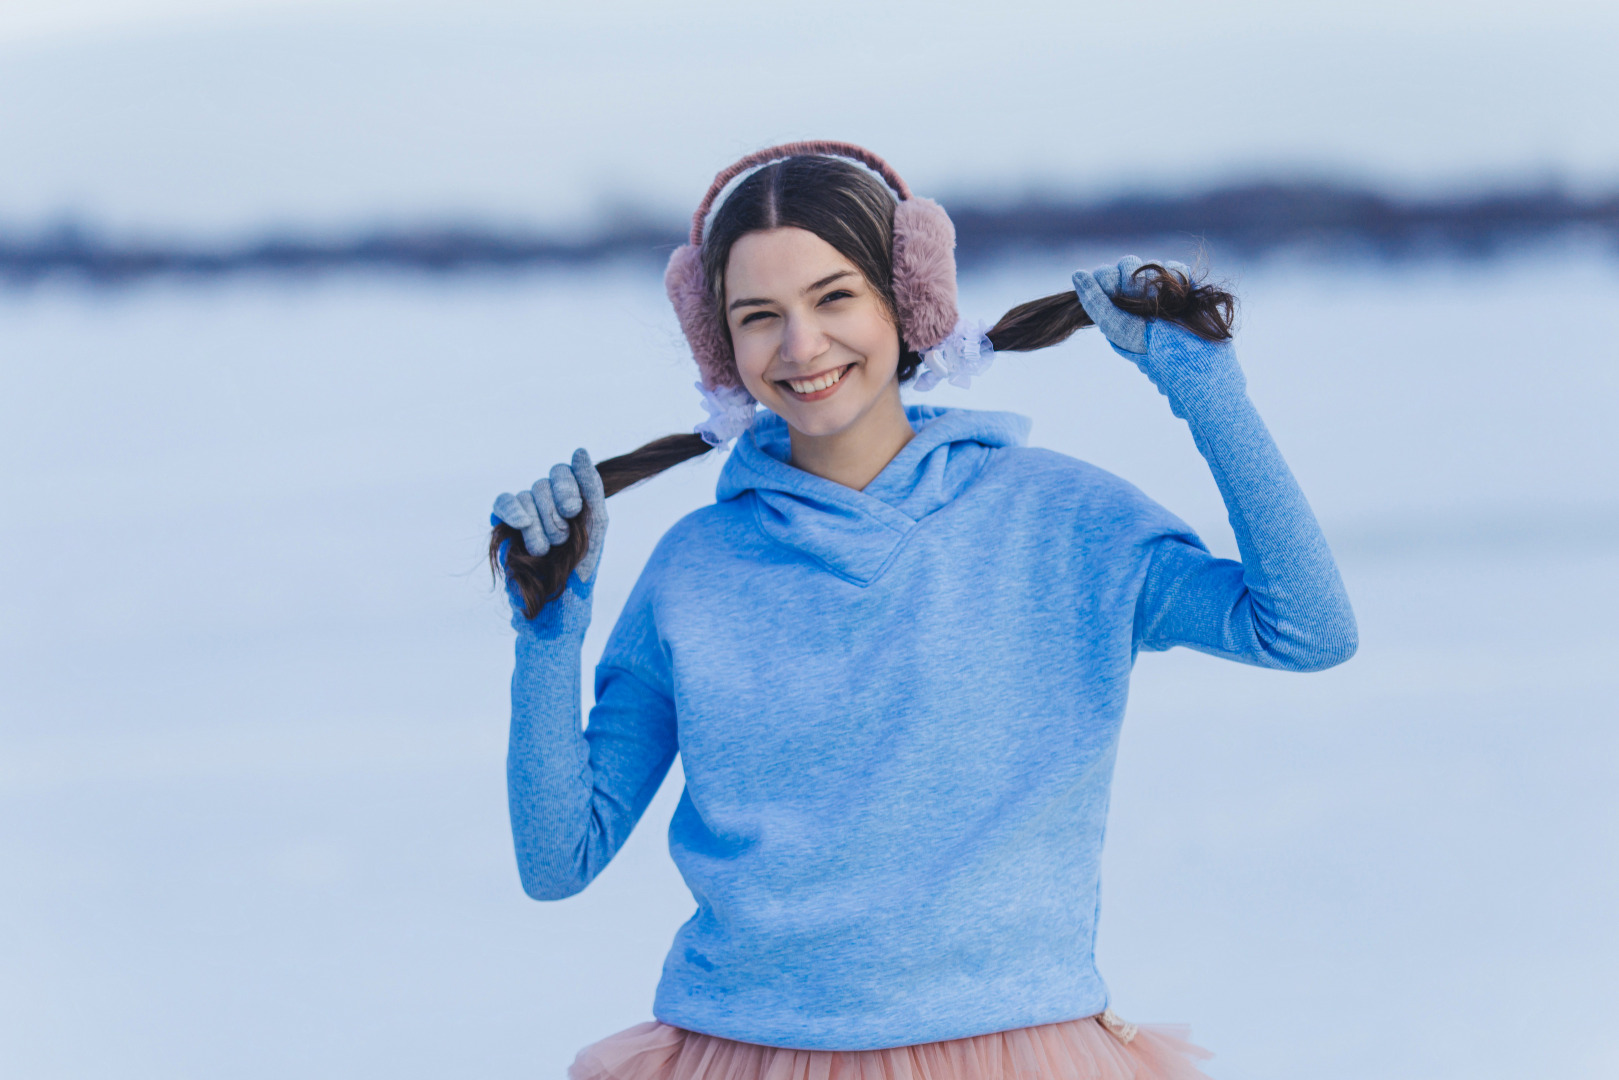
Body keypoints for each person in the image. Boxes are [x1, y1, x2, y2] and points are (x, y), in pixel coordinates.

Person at [488, 142, 1357, 1080]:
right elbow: (558, 859)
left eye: (834, 298)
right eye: (757, 317)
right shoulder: (692, 571)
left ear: (910, 299)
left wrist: (1207, 393)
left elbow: (1306, 630)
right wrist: (548, 633)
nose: (800, 347)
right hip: (743, 1050)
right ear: (720, 346)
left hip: (1019, 1051)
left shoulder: (1064, 522)